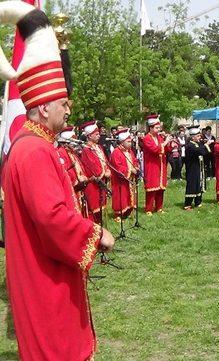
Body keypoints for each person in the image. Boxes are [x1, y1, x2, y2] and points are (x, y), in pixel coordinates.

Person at [0, 5, 115, 357]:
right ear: (44, 106)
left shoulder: (31, 145)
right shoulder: (35, 151)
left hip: (41, 273)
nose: (68, 110)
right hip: (45, 277)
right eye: (63, 103)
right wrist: (96, 235)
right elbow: (51, 217)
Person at [80, 120, 111, 224]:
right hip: (93, 184)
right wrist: (103, 172)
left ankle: (100, 228)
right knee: (94, 207)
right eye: (96, 134)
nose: (99, 136)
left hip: (101, 182)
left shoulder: (99, 147)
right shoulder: (86, 150)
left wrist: (108, 170)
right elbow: (92, 168)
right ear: (89, 136)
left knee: (101, 206)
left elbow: (105, 161)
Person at [142, 114, 172, 215]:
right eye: (157, 128)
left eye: (159, 127)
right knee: (152, 187)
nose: (159, 129)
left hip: (161, 164)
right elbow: (154, 149)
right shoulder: (147, 138)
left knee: (161, 188)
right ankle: (149, 209)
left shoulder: (159, 137)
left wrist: (169, 143)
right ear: (151, 128)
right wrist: (164, 143)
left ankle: (159, 207)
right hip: (152, 165)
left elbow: (166, 149)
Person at [57, 126, 89, 217]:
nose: (75, 144)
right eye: (72, 140)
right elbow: (66, 171)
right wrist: (77, 180)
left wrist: (84, 177)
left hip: (80, 188)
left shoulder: (73, 153)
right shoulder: (61, 153)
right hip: (73, 189)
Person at [110, 129, 140, 222]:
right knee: (121, 195)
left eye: (130, 141)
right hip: (120, 180)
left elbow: (134, 160)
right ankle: (119, 213)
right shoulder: (116, 152)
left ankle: (129, 210)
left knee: (129, 195)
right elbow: (118, 167)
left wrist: (136, 167)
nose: (130, 143)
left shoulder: (130, 151)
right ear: (122, 142)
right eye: (128, 141)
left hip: (130, 178)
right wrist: (130, 170)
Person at [184, 126, 213, 209]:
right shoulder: (190, 145)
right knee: (192, 185)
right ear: (193, 137)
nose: (200, 137)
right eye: (198, 136)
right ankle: (187, 204)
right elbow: (200, 151)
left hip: (199, 167)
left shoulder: (198, 144)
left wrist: (205, 144)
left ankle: (198, 202)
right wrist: (206, 145)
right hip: (192, 169)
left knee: (199, 184)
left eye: (199, 136)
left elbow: (205, 151)